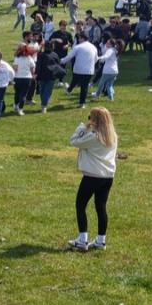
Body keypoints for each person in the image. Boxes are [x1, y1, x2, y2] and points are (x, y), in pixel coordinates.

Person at [66, 107, 118, 251]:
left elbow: (74, 141)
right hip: (107, 176)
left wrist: (82, 127)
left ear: (95, 120)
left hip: (92, 176)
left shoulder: (94, 136)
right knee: (101, 207)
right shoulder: (112, 135)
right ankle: (101, 240)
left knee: (80, 205)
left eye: (91, 117)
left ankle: (82, 239)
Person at [62, 35, 99, 108]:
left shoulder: (78, 47)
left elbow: (69, 56)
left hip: (79, 69)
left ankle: (69, 90)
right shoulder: (93, 47)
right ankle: (82, 103)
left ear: (82, 38)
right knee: (84, 87)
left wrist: (61, 61)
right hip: (89, 70)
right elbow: (96, 59)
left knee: (75, 80)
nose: (78, 40)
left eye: (79, 38)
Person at [12, 43, 36, 116]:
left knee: (17, 93)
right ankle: (20, 109)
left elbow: (15, 69)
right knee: (23, 95)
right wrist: (32, 75)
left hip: (17, 78)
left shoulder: (17, 58)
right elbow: (32, 69)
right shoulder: (30, 59)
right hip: (27, 78)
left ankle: (16, 105)